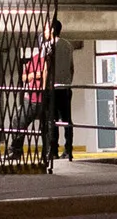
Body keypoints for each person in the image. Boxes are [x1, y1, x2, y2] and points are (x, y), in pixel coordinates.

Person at [46, 19, 75, 160]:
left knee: (52, 120)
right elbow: (71, 67)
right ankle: (68, 149)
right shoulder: (68, 45)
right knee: (67, 120)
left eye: (46, 29)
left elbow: (45, 67)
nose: (44, 32)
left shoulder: (47, 46)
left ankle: (53, 150)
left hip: (52, 88)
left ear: (52, 30)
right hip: (66, 87)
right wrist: (68, 82)